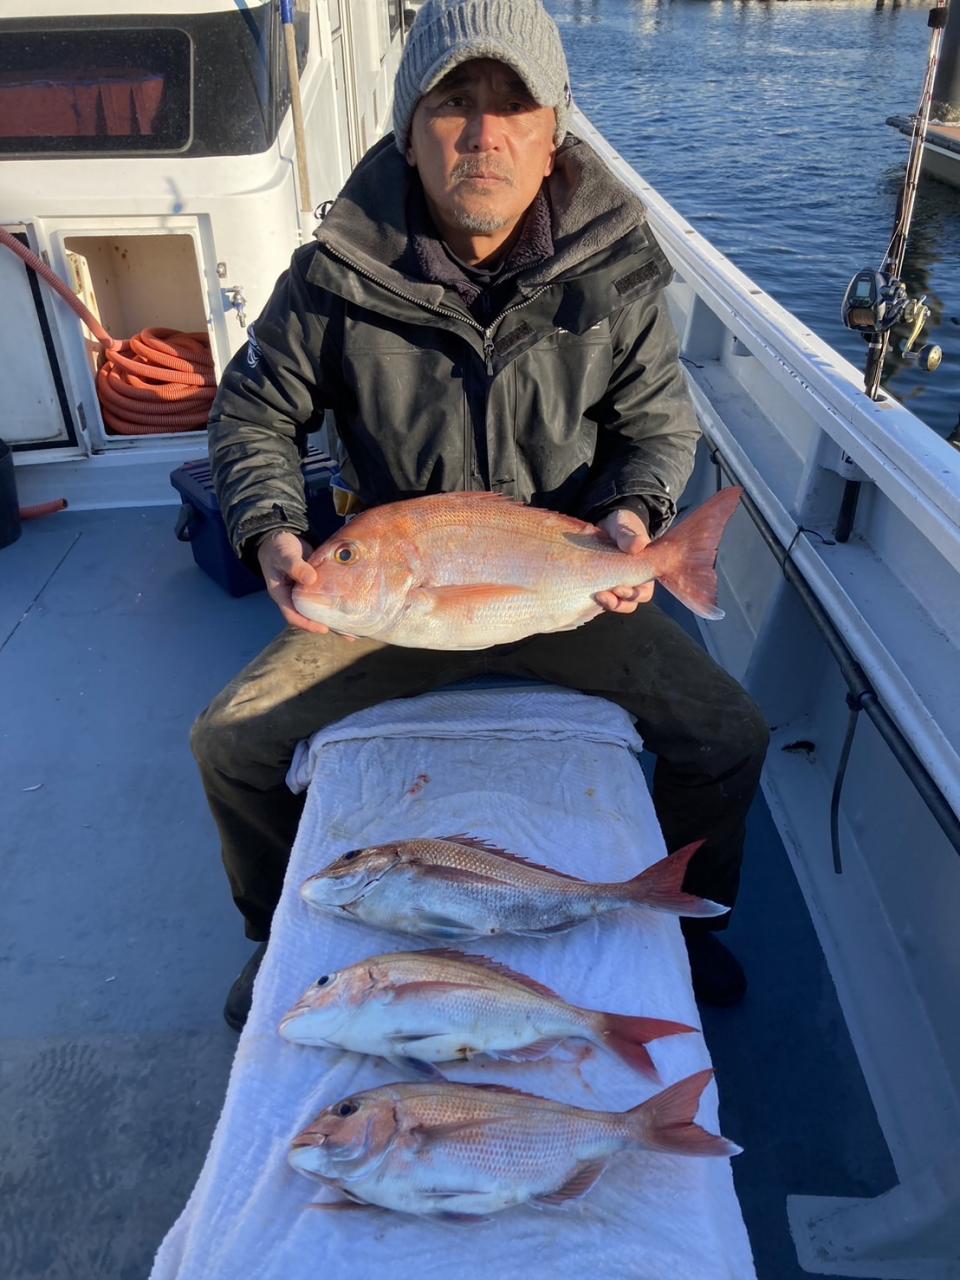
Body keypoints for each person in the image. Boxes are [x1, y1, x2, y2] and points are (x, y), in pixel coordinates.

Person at [192, 0, 769, 1030]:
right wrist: (274, 529)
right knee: (228, 743)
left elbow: (656, 427)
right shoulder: (332, 276)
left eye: (514, 104)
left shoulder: (615, 270)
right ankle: (276, 930)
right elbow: (253, 413)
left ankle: (682, 923)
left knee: (729, 734)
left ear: (554, 135)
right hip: (392, 602)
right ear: (409, 133)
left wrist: (635, 518)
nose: (483, 133)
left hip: (559, 586)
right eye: (453, 103)